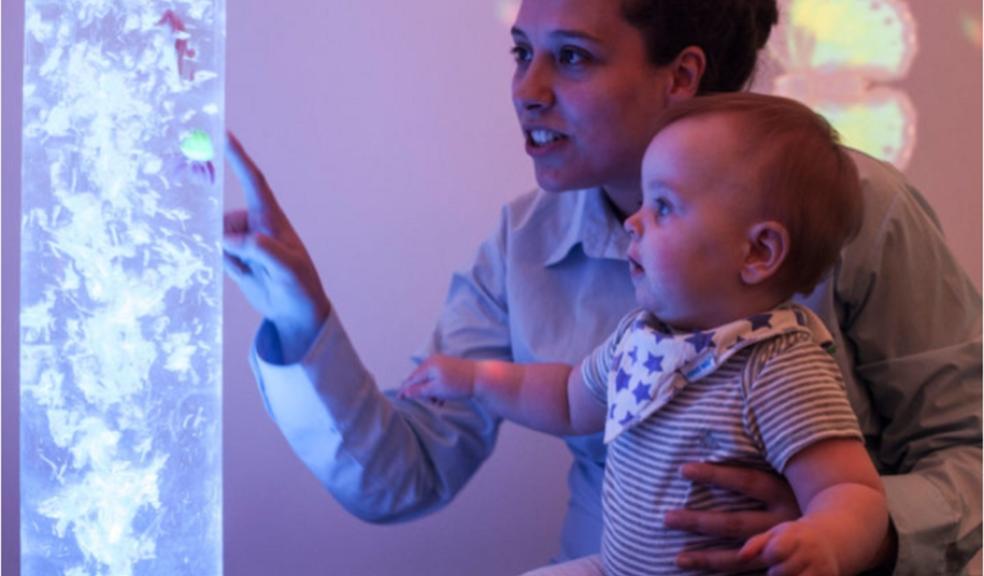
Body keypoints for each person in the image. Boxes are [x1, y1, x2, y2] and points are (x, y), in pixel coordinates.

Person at [222, 0, 982, 572]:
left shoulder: (861, 212)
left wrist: (847, 524)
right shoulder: (523, 244)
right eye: (521, 52)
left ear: (680, 75)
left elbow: (969, 450)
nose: (527, 88)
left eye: (573, 58)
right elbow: (403, 476)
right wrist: (299, 318)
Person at [399, 92, 887, 575]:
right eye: (642, 202)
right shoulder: (641, 337)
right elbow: (567, 398)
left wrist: (824, 539)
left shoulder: (778, 366)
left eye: (663, 207)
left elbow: (852, 491)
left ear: (758, 252)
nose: (634, 222)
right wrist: (476, 379)